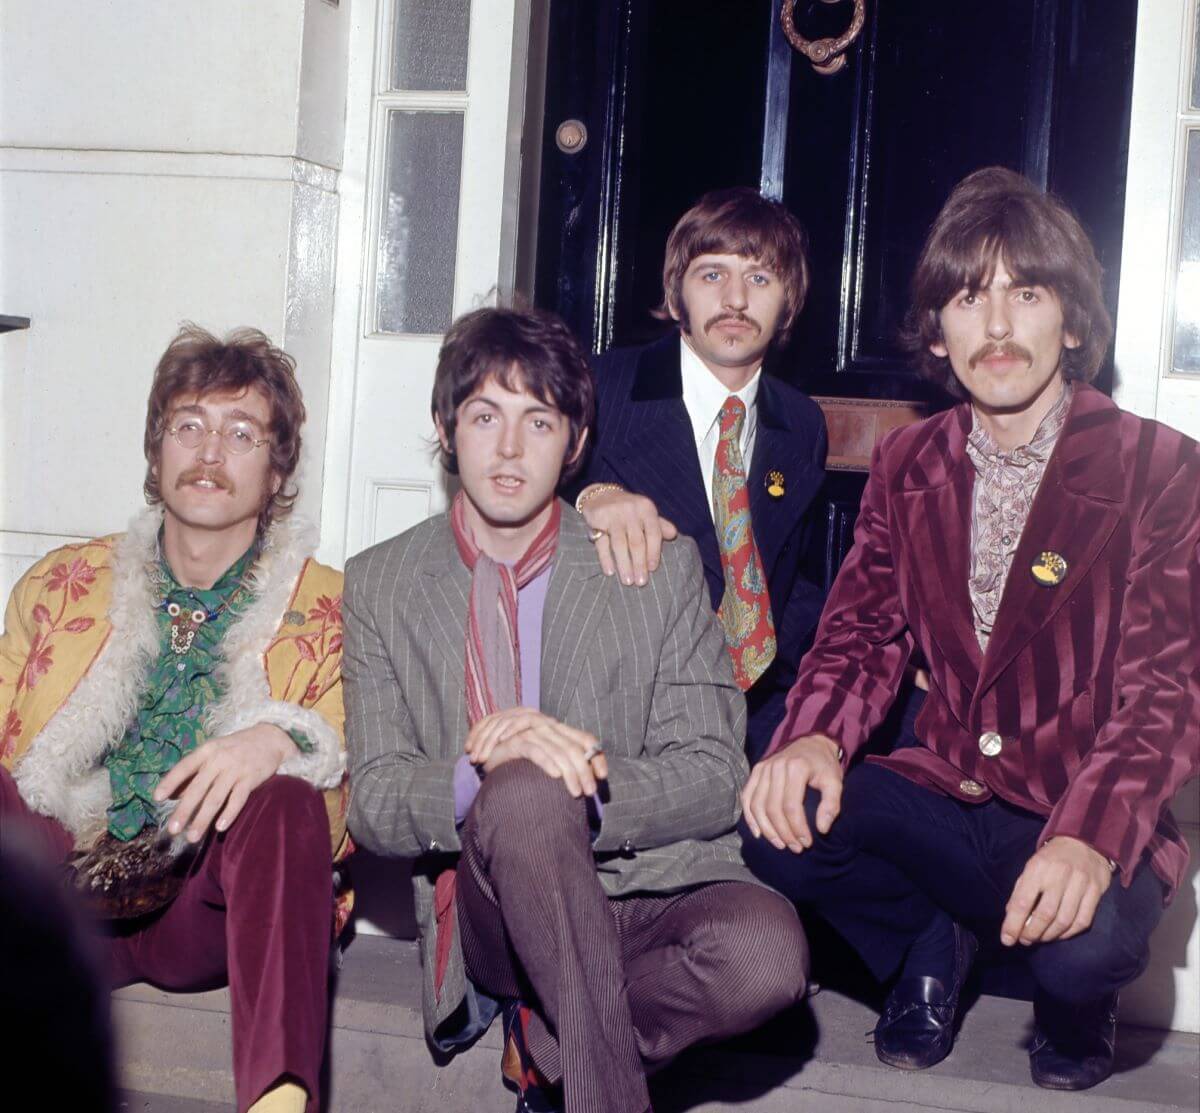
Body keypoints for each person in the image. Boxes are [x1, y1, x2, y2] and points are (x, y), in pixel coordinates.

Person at [741, 166, 1200, 1091]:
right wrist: (815, 738)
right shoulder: (911, 459)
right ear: (938, 334)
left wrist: (1089, 837)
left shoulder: (1161, 466)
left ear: (1071, 323)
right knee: (777, 819)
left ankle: (1074, 1005)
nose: (995, 326)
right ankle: (927, 935)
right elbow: (860, 633)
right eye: (967, 296)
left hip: (1078, 798)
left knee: (1079, 953)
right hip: (950, 791)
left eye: (1024, 293)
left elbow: (1167, 690)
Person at [343, 306, 808, 1113]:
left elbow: (713, 771)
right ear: (446, 429)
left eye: (540, 419)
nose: (511, 449)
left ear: (578, 437)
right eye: (485, 416)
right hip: (495, 908)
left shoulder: (655, 566)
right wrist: (484, 771)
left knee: (768, 955)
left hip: (647, 884)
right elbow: (376, 799)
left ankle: (552, 1045)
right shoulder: (382, 582)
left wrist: (581, 776)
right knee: (521, 787)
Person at [0, 325, 349, 1113]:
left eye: (241, 432)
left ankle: (280, 1101)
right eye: (189, 425)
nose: (210, 453)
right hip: (60, 886)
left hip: (201, 902)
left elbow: (344, 816)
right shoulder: (62, 583)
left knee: (287, 790)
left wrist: (276, 737)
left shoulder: (329, 610)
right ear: (157, 451)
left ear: (279, 465)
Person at [569, 187, 828, 760]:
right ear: (676, 293)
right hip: (630, 708)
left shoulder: (802, 424)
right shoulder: (599, 388)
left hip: (762, 703)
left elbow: (789, 581)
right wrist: (591, 495)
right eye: (712, 275)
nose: (735, 299)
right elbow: (520, 510)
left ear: (789, 301)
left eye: (760, 279)